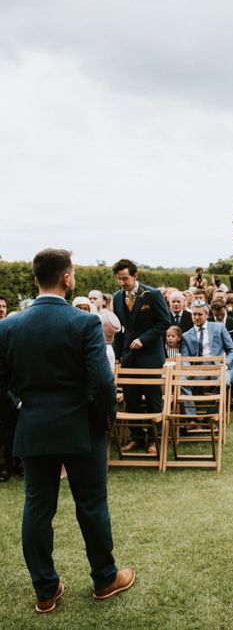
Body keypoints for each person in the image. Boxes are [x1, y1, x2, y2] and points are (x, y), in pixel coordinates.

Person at [0, 248, 134, 613]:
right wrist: (107, 418)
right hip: (81, 429)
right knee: (91, 505)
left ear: (34, 279)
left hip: (34, 428)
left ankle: (45, 590)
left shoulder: (8, 326)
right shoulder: (84, 323)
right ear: (68, 278)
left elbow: (3, 384)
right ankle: (105, 579)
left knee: (37, 508)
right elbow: (103, 383)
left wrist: (21, 411)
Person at [112, 258, 171, 455]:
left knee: (153, 399)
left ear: (135, 276)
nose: (122, 283)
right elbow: (119, 330)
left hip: (150, 356)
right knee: (132, 399)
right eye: (119, 279)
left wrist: (143, 339)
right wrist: (119, 356)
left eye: (125, 279)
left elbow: (164, 322)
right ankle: (137, 438)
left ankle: (155, 440)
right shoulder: (117, 297)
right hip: (129, 357)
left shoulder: (152, 295)